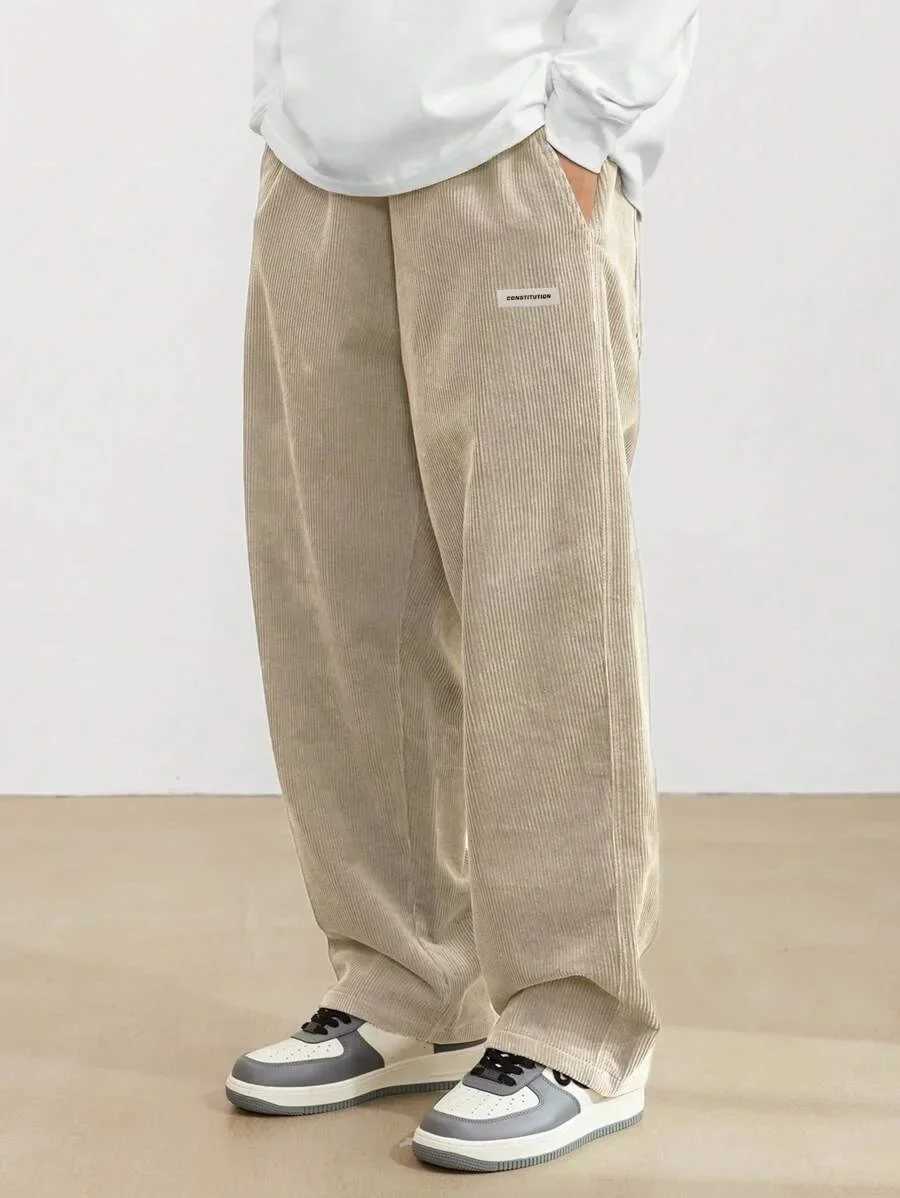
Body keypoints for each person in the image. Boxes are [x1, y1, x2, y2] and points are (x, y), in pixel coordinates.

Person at [225, 0, 699, 1173]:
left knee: (543, 594)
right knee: (337, 595)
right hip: (315, 161)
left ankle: (578, 1024)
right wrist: (281, 98)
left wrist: (590, 129)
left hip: (511, 147)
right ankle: (405, 976)